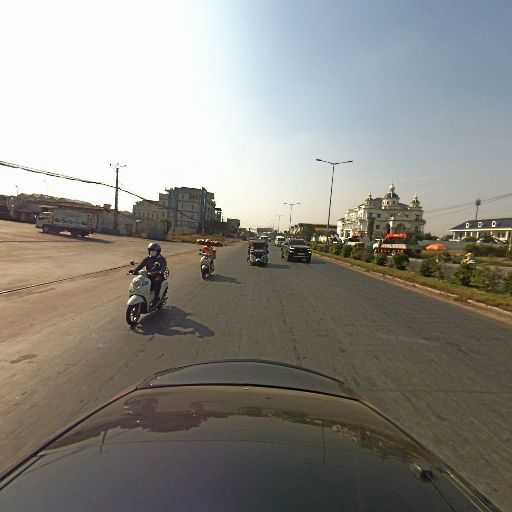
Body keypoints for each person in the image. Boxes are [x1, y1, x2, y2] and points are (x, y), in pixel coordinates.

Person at [130, 242, 167, 308]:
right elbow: (140, 265)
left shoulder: (162, 259)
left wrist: (159, 272)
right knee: (140, 279)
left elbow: (163, 267)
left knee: (157, 281)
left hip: (158, 276)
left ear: (158, 252)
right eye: (151, 251)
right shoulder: (147, 258)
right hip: (149, 275)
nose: (152, 253)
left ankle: (156, 299)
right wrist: (134, 271)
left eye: (154, 252)